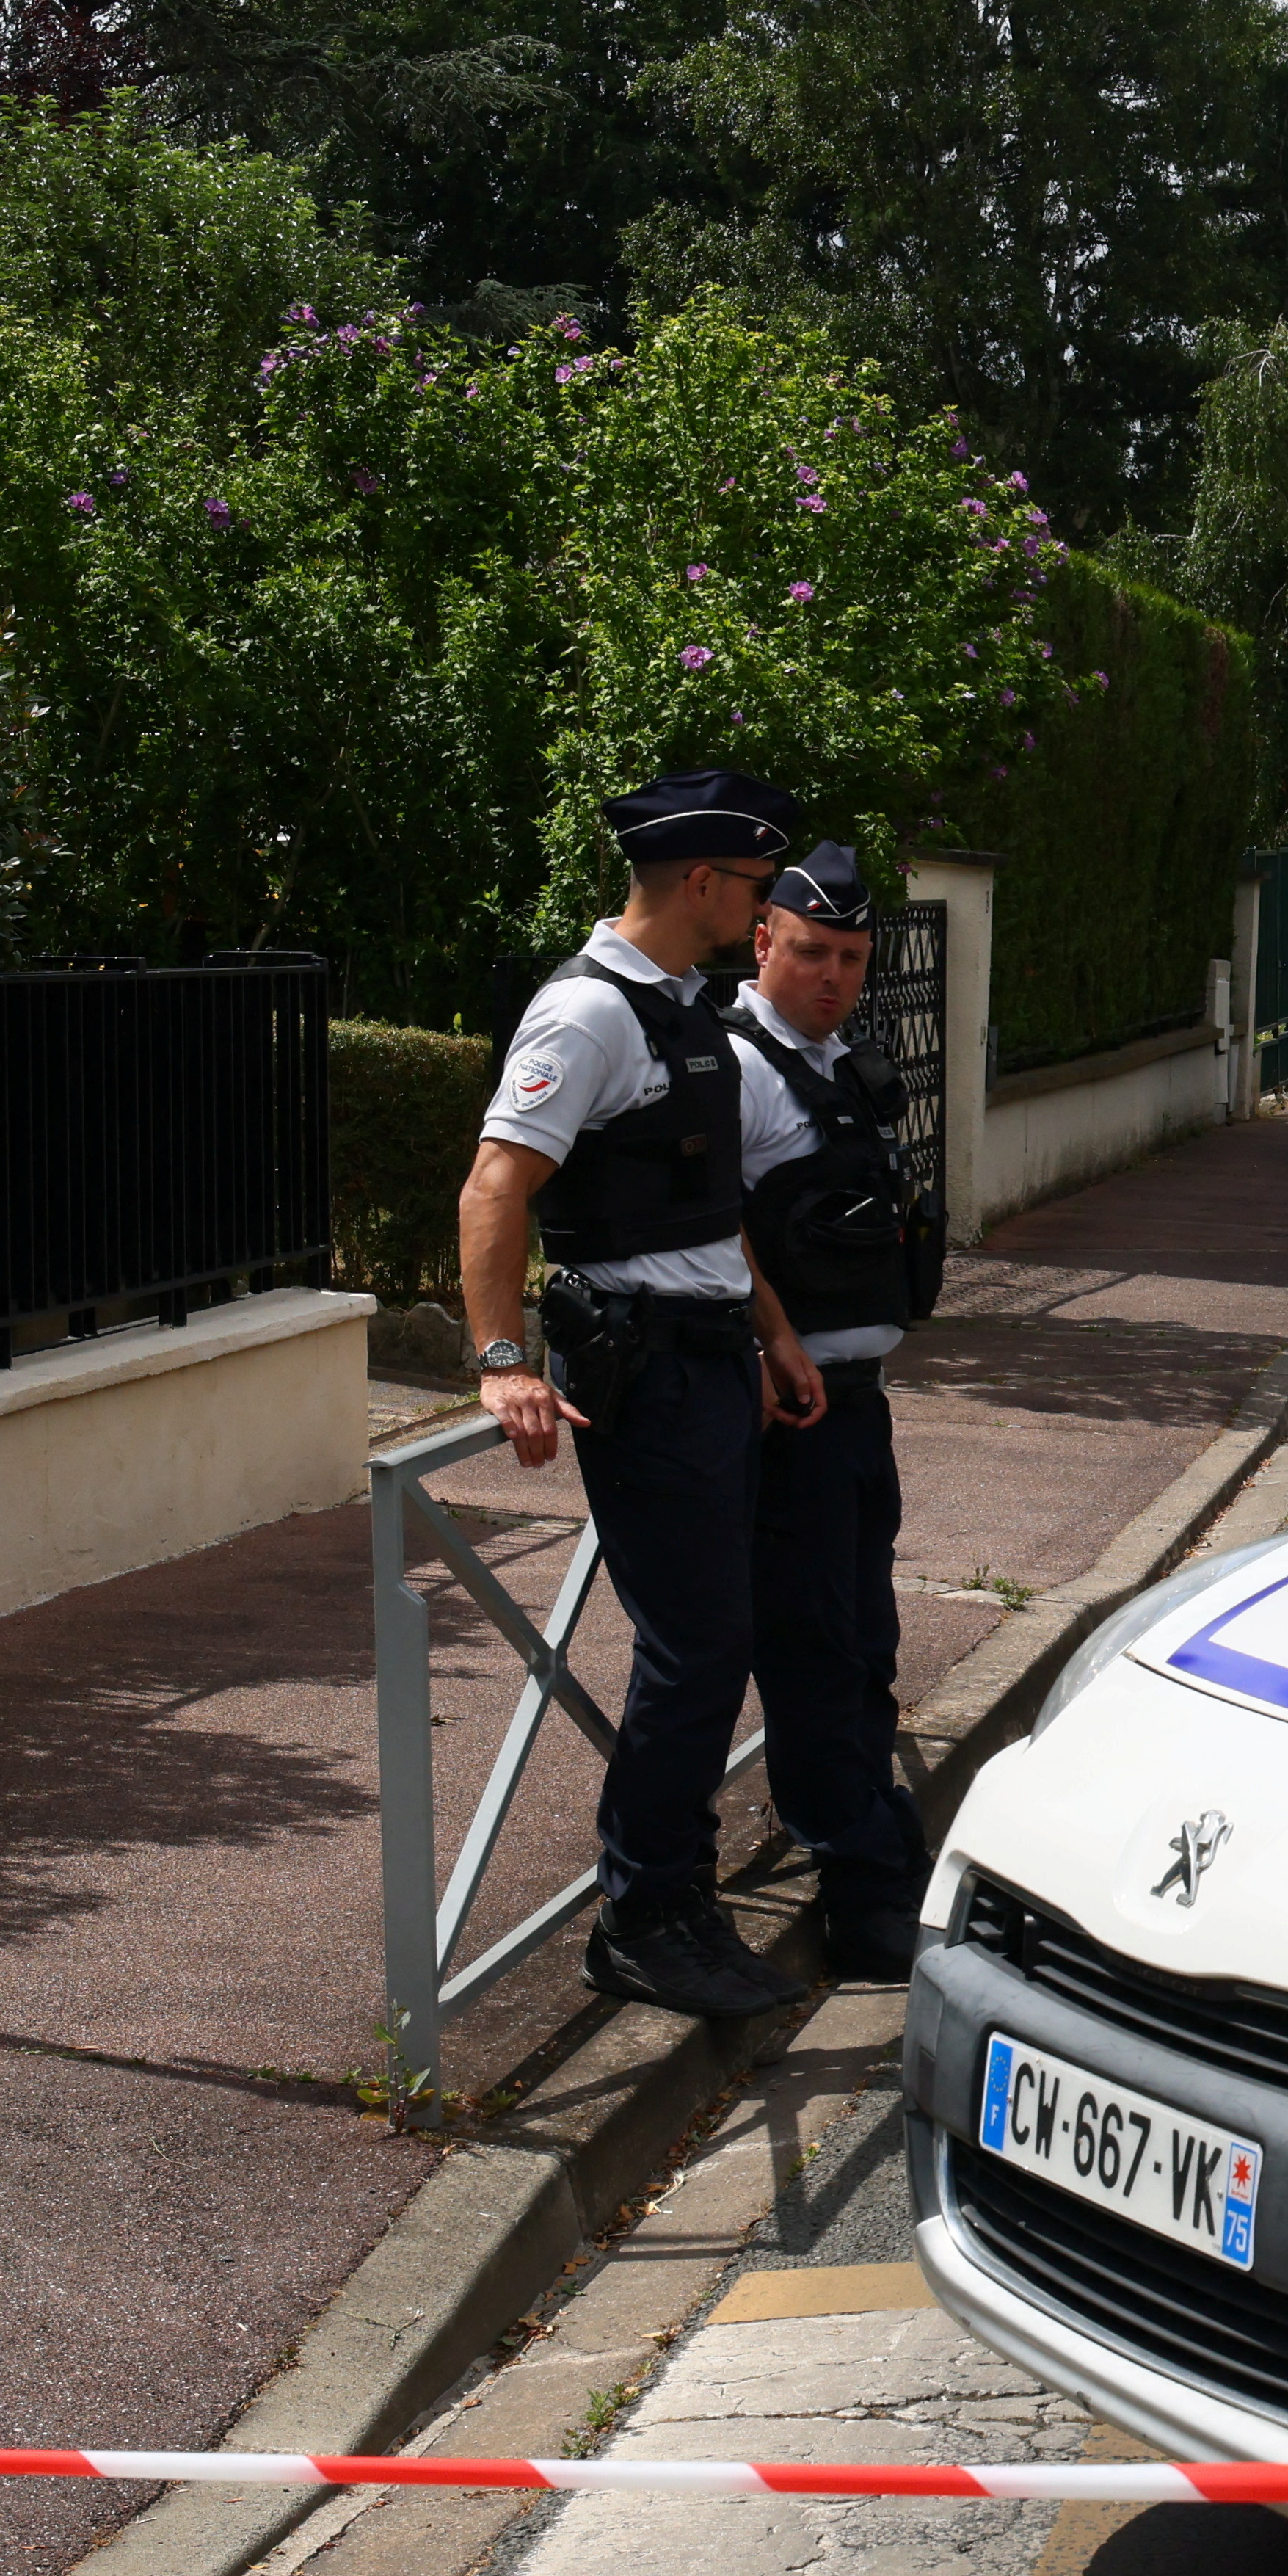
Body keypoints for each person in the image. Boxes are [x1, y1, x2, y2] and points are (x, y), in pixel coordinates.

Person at [459, 773, 823, 2024]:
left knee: (716, 1638)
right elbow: (496, 1187)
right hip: (648, 1373)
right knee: (697, 1646)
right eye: (757, 887)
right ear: (706, 883)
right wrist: (502, 1361)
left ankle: (677, 1896)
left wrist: (771, 1330)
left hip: (715, 1357)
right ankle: (645, 1915)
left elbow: (708, 1213)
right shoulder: (588, 1016)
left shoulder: (683, 1009)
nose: (763, 908)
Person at [725, 842, 948, 1983]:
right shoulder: (733, 1069)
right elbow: (710, 1234)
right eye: (812, 951)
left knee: (865, 1647)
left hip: (859, 1409)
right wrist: (767, 1345)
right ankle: (866, 1884)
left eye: (854, 959)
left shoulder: (842, 1063)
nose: (834, 977)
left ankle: (874, 1845)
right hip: (792, 1415)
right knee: (814, 1653)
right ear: (764, 939)